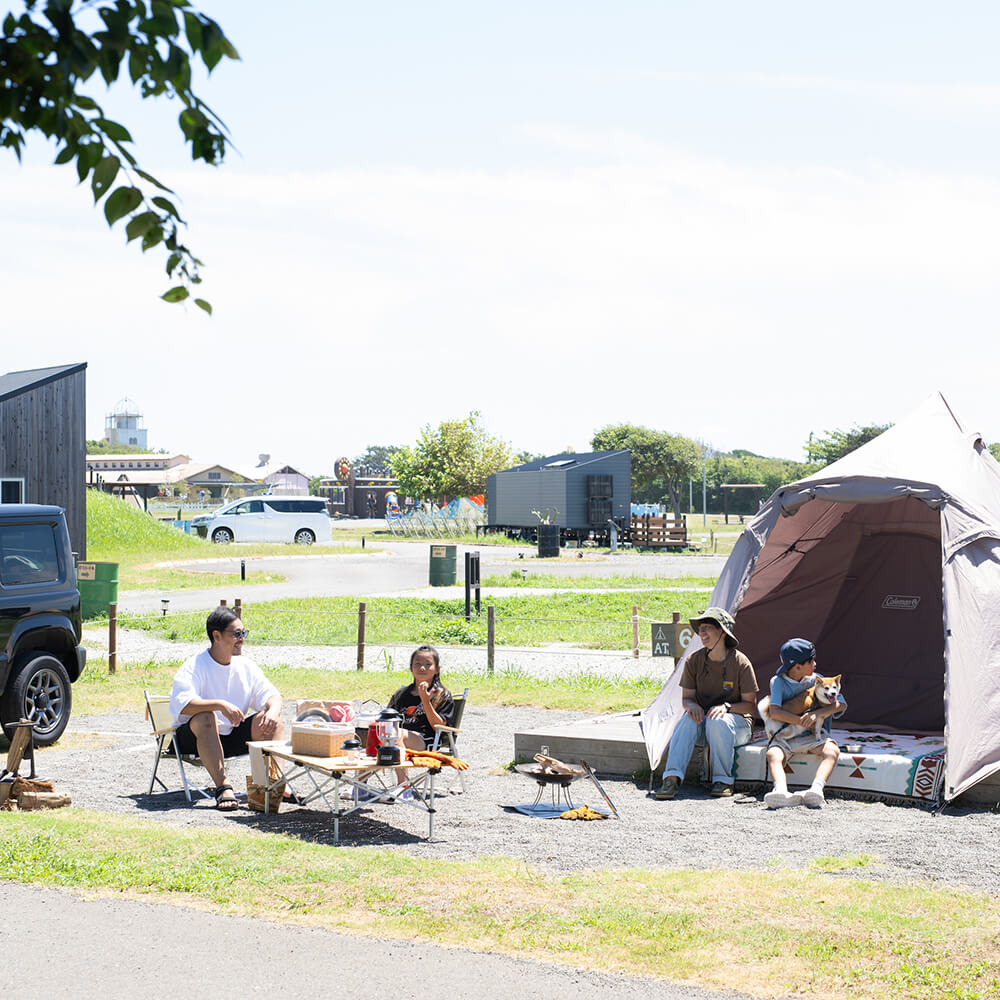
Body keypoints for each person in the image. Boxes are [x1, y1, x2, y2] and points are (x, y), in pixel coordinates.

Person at [169, 606, 284, 811]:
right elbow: (183, 705)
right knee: (206, 716)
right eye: (237, 634)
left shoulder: (245, 666)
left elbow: (273, 696)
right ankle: (223, 787)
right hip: (193, 740)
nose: (242, 639)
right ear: (217, 636)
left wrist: (273, 712)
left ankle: (275, 785)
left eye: (244, 633)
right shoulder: (194, 666)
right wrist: (219, 704)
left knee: (272, 720)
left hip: (230, 737)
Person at [655, 607, 759, 800]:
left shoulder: (740, 662)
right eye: (700, 628)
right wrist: (692, 706)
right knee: (687, 720)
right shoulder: (693, 660)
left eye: (707, 628)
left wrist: (727, 708)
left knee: (718, 720)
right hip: (704, 725)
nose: (701, 633)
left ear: (722, 632)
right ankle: (671, 779)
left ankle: (723, 781)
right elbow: (687, 699)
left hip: (736, 727)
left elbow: (750, 705)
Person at [761, 638, 847, 809]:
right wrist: (801, 721)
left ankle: (816, 789)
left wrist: (817, 714)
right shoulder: (778, 682)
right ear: (798, 666)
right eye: (811, 661)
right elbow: (775, 712)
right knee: (773, 755)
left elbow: (841, 704)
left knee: (832, 751)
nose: (815, 664)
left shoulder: (819, 680)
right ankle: (780, 791)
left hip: (813, 737)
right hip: (786, 736)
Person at [386, 645, 456, 785]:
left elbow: (439, 727)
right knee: (372, 732)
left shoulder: (442, 695)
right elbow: (387, 718)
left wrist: (425, 701)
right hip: (398, 739)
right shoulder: (401, 694)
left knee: (396, 734)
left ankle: (403, 787)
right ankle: (360, 787)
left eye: (428, 664)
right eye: (417, 664)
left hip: (427, 740)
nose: (422, 668)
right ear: (411, 668)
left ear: (437, 669)